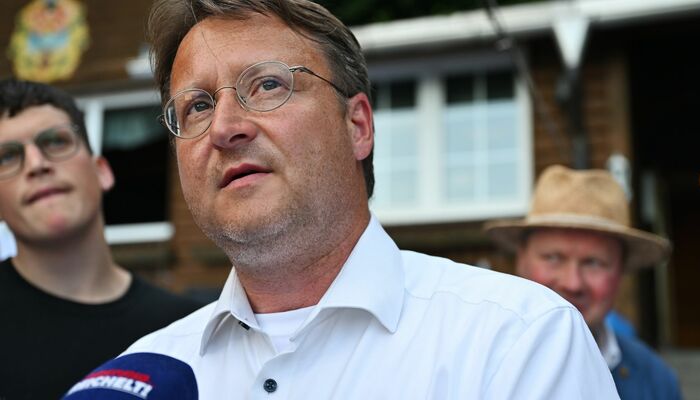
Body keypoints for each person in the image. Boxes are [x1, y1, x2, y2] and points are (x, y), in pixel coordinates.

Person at [118, 0, 620, 398]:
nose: (225, 127)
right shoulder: (141, 377)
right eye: (197, 105)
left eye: (268, 84)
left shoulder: (518, 341)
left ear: (357, 126)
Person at [0, 78, 202, 399]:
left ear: (102, 171)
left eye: (55, 142)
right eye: (8, 157)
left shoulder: (189, 330)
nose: (37, 165)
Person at [486, 165, 681, 399]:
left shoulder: (655, 382)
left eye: (594, 263)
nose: (573, 283)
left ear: (621, 271)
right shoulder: (475, 361)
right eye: (553, 258)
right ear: (522, 261)